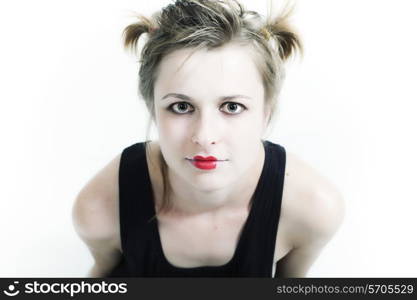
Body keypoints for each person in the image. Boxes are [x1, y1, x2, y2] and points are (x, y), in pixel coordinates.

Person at [72, 0, 345, 277]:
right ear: (153, 109)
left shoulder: (313, 210)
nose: (205, 137)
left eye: (232, 107)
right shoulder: (100, 209)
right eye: (181, 107)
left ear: (266, 112)